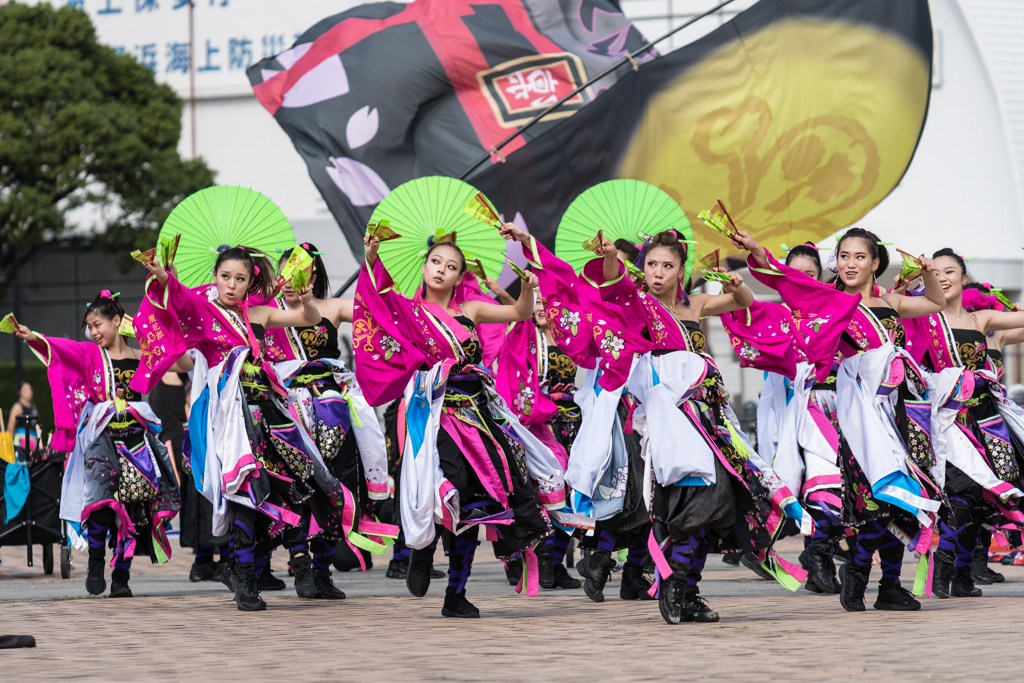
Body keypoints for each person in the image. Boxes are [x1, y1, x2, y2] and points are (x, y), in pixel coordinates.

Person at [577, 228, 799, 624]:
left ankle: (684, 589)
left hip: (707, 415)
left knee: (721, 501)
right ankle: (676, 585)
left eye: (667, 265)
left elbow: (742, 302)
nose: (658, 273)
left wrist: (738, 282)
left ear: (682, 270)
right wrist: (611, 256)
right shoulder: (638, 306)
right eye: (651, 265)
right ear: (641, 269)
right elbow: (610, 287)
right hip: (665, 418)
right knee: (701, 493)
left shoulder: (694, 305)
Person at [354, 228, 568, 618]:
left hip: (478, 418)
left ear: (459, 276)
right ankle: (422, 549)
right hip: (435, 420)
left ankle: (456, 593)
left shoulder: (471, 310)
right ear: (423, 266)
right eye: (435, 262)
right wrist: (370, 260)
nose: (441, 270)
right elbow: (373, 301)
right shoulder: (405, 309)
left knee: (478, 503)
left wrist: (527, 287)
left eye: (451, 266)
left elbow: (520, 313)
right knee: (441, 492)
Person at [737, 227, 945, 612]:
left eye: (859, 257)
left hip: (900, 415)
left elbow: (935, 301)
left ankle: (887, 585)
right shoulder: (829, 301)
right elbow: (787, 280)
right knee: (879, 500)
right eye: (844, 256)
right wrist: (757, 252)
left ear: (875, 263)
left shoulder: (891, 303)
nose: (849, 264)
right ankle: (861, 573)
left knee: (900, 503)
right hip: (860, 419)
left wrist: (929, 270)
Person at [132, 247, 346, 612]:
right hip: (233, 420)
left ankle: (281, 563)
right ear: (215, 278)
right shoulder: (203, 312)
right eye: (225, 276)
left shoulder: (260, 313)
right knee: (245, 495)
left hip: (271, 415)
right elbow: (179, 302)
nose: (231, 285)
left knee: (298, 485)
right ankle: (246, 580)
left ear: (251, 283)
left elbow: (305, 319)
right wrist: (166, 278)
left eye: (240, 279)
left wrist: (309, 302)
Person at [14, 291, 184, 598]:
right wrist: (34, 337)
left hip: (135, 442)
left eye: (98, 324)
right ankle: (95, 563)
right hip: (102, 440)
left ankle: (121, 576)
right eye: (89, 326)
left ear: (117, 321)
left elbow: (177, 358)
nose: (93, 332)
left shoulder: (140, 356)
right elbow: (60, 349)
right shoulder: (90, 354)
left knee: (134, 510)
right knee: (102, 504)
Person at [262, 243, 392, 599]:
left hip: (332, 410)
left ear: (313, 275)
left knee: (336, 485)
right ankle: (299, 562)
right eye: (284, 273)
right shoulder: (265, 314)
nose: (290, 281)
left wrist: (369, 262)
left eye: (299, 273)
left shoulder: (332, 308)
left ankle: (322, 571)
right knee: (294, 486)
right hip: (287, 412)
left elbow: (377, 310)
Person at [903, 250, 1024, 598]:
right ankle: (944, 564)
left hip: (985, 418)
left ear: (964, 278)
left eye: (950, 271)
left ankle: (963, 575)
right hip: (947, 420)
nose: (943, 277)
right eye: (936, 271)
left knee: (983, 499)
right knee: (963, 493)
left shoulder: (980, 320)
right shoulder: (923, 321)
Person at [7, 382, 40, 451]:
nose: (28, 392)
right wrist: (9, 445)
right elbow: (10, 427)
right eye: (25, 390)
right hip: (20, 444)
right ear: (19, 392)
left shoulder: (33, 407)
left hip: (33, 443)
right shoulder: (18, 406)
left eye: (30, 389)